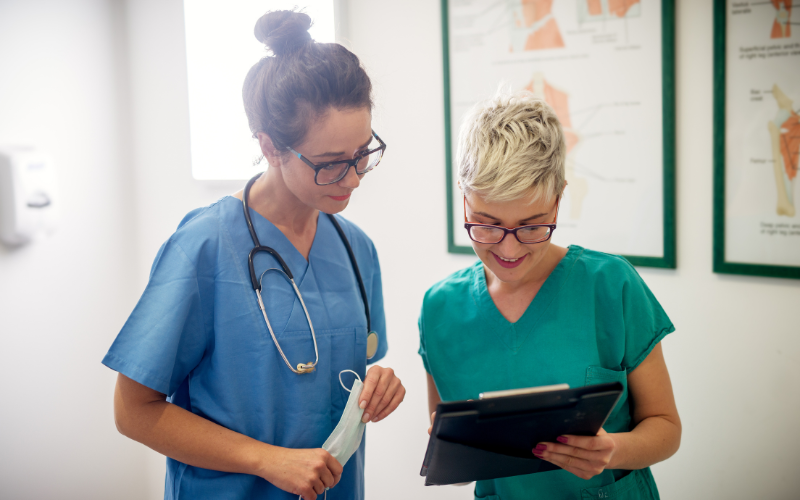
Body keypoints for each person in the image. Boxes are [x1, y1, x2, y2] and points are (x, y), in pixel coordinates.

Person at [103, 11, 404, 500]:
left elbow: (323, 381)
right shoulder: (203, 248)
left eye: (362, 153)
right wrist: (267, 461)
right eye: (329, 165)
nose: (352, 179)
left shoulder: (356, 249)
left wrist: (379, 385)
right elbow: (133, 410)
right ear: (269, 145)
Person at [419, 91, 680, 499]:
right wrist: (446, 454)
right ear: (464, 198)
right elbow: (456, 470)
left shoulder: (611, 286)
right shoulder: (440, 310)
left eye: (531, 225)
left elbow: (665, 427)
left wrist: (612, 450)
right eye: (486, 225)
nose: (508, 250)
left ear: (558, 199)